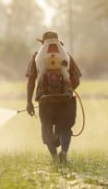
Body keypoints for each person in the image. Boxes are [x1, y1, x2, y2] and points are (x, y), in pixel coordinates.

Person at [25, 31, 82, 163]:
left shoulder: (36, 57)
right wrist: (68, 89)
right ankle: (64, 153)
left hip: (45, 101)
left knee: (47, 129)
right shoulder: (66, 57)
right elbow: (77, 79)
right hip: (65, 100)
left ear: (42, 43)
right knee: (65, 127)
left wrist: (29, 102)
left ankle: (55, 158)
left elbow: (31, 80)